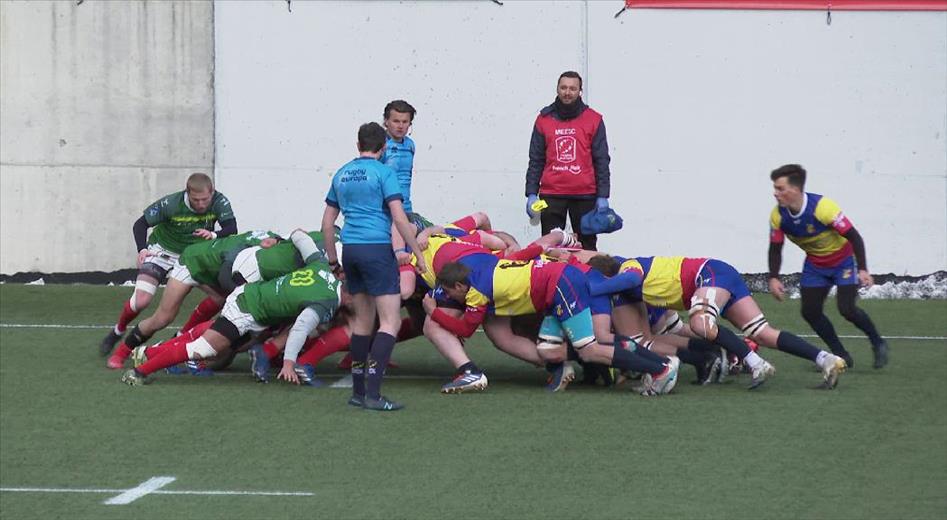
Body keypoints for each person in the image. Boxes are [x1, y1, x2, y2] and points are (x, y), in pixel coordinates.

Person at [586, 254, 848, 389]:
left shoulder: (628, 267)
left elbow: (630, 280)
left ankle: (755, 363)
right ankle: (825, 359)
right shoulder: (627, 278)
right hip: (719, 274)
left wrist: (596, 287)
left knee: (701, 325)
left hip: (707, 275)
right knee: (762, 332)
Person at [321, 122, 428, 412]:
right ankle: (374, 394)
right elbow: (399, 218)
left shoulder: (342, 174)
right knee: (391, 322)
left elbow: (327, 224)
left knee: (362, 323)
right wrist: (417, 251)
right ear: (382, 149)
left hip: (351, 250)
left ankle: (358, 392)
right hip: (377, 249)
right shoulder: (384, 173)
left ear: (358, 146)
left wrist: (333, 260)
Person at [120, 261, 343, 386]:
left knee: (229, 347)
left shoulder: (322, 268)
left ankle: (147, 353)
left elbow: (299, 237)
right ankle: (140, 370)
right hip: (246, 310)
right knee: (203, 349)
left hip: (251, 299)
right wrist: (288, 363)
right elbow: (301, 328)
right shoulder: (329, 300)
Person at [99, 173, 236, 356]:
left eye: (205, 199)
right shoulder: (171, 204)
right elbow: (140, 224)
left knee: (222, 298)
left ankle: (180, 336)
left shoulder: (219, 201)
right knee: (141, 301)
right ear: (187, 193)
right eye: (196, 200)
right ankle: (118, 330)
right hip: (162, 252)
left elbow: (231, 228)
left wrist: (213, 235)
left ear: (212, 192)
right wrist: (142, 249)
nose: (202, 204)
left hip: (192, 258)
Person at [768, 164, 888, 368]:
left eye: (780, 188)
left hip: (842, 262)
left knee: (847, 309)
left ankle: (878, 342)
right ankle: (841, 356)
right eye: (775, 188)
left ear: (795, 190)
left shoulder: (823, 207)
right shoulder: (778, 216)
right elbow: (775, 248)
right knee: (810, 312)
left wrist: (863, 269)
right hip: (815, 265)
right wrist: (774, 277)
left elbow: (854, 237)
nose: (775, 193)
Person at [106, 230, 281, 369]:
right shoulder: (254, 250)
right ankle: (122, 352)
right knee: (163, 317)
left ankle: (180, 339)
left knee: (225, 303)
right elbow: (225, 276)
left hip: (210, 267)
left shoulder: (272, 239)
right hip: (192, 263)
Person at [525, 71, 611, 251]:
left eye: (573, 88)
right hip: (551, 194)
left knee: (587, 247)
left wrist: (603, 196)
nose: (567, 92)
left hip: (585, 195)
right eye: (563, 87)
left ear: (580, 91)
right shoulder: (543, 120)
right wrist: (531, 193)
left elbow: (601, 160)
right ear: (557, 89)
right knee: (550, 248)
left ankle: (589, 278)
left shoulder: (594, 119)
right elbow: (536, 160)